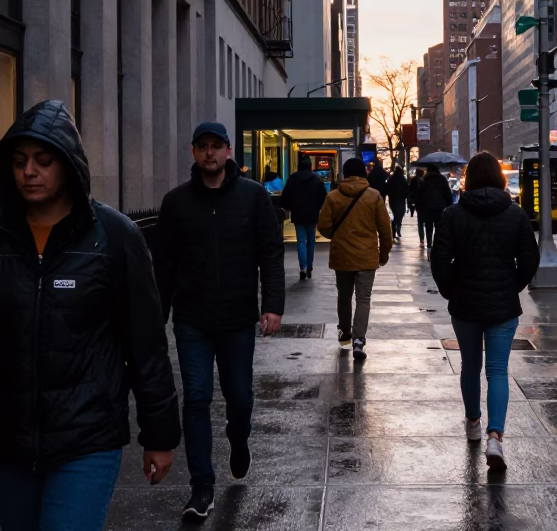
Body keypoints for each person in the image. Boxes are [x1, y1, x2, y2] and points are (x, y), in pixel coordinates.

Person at [0, 100, 180, 531]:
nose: (28, 172)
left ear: (68, 164)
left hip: (87, 439)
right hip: (8, 441)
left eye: (42, 160)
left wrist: (160, 436)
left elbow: (146, 345)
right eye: (19, 162)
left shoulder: (113, 237)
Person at [153, 122, 285, 519]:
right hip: (192, 319)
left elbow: (270, 252)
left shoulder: (253, 197)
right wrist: (157, 318)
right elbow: (164, 265)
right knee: (195, 398)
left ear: (229, 151)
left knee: (239, 397)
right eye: (202, 147)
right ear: (193, 153)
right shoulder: (176, 203)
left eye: (216, 146)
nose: (209, 153)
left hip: (237, 318)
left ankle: (238, 437)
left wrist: (272, 304)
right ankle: (201, 486)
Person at [430, 152, 540, 470]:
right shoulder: (516, 215)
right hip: (503, 306)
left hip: (464, 304)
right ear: (500, 178)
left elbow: (439, 260)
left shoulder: (453, 215)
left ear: (470, 180)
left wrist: (451, 289)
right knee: (497, 371)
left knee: (470, 366)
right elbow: (529, 260)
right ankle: (496, 437)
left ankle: (474, 422)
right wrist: (512, 286)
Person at [317, 158, 393, 360]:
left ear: (344, 174)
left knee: (344, 295)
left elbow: (322, 225)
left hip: (342, 255)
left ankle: (344, 332)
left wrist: (337, 235)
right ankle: (359, 340)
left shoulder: (333, 197)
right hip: (367, 255)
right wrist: (383, 255)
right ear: (363, 174)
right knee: (363, 298)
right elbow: (386, 230)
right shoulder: (374, 196)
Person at [281, 158, 329, 280]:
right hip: (312, 214)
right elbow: (324, 197)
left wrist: (291, 208)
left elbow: (285, 196)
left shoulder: (293, 179)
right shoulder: (317, 180)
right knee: (311, 241)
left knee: (301, 241)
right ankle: (309, 266)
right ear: (310, 167)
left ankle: (302, 267)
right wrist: (317, 208)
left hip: (298, 214)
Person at [417, 164, 453, 249]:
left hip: (427, 208)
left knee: (428, 228)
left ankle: (429, 245)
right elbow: (447, 193)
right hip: (439, 207)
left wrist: (419, 207)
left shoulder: (424, 179)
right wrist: (449, 206)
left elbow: (419, 195)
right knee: (439, 227)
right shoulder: (442, 179)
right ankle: (437, 246)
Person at [386, 166, 409, 242]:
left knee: (395, 214)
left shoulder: (391, 178)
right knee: (401, 213)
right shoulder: (403, 178)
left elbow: (387, 188)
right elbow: (407, 188)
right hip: (401, 199)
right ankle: (398, 226)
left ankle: (394, 228)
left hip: (393, 199)